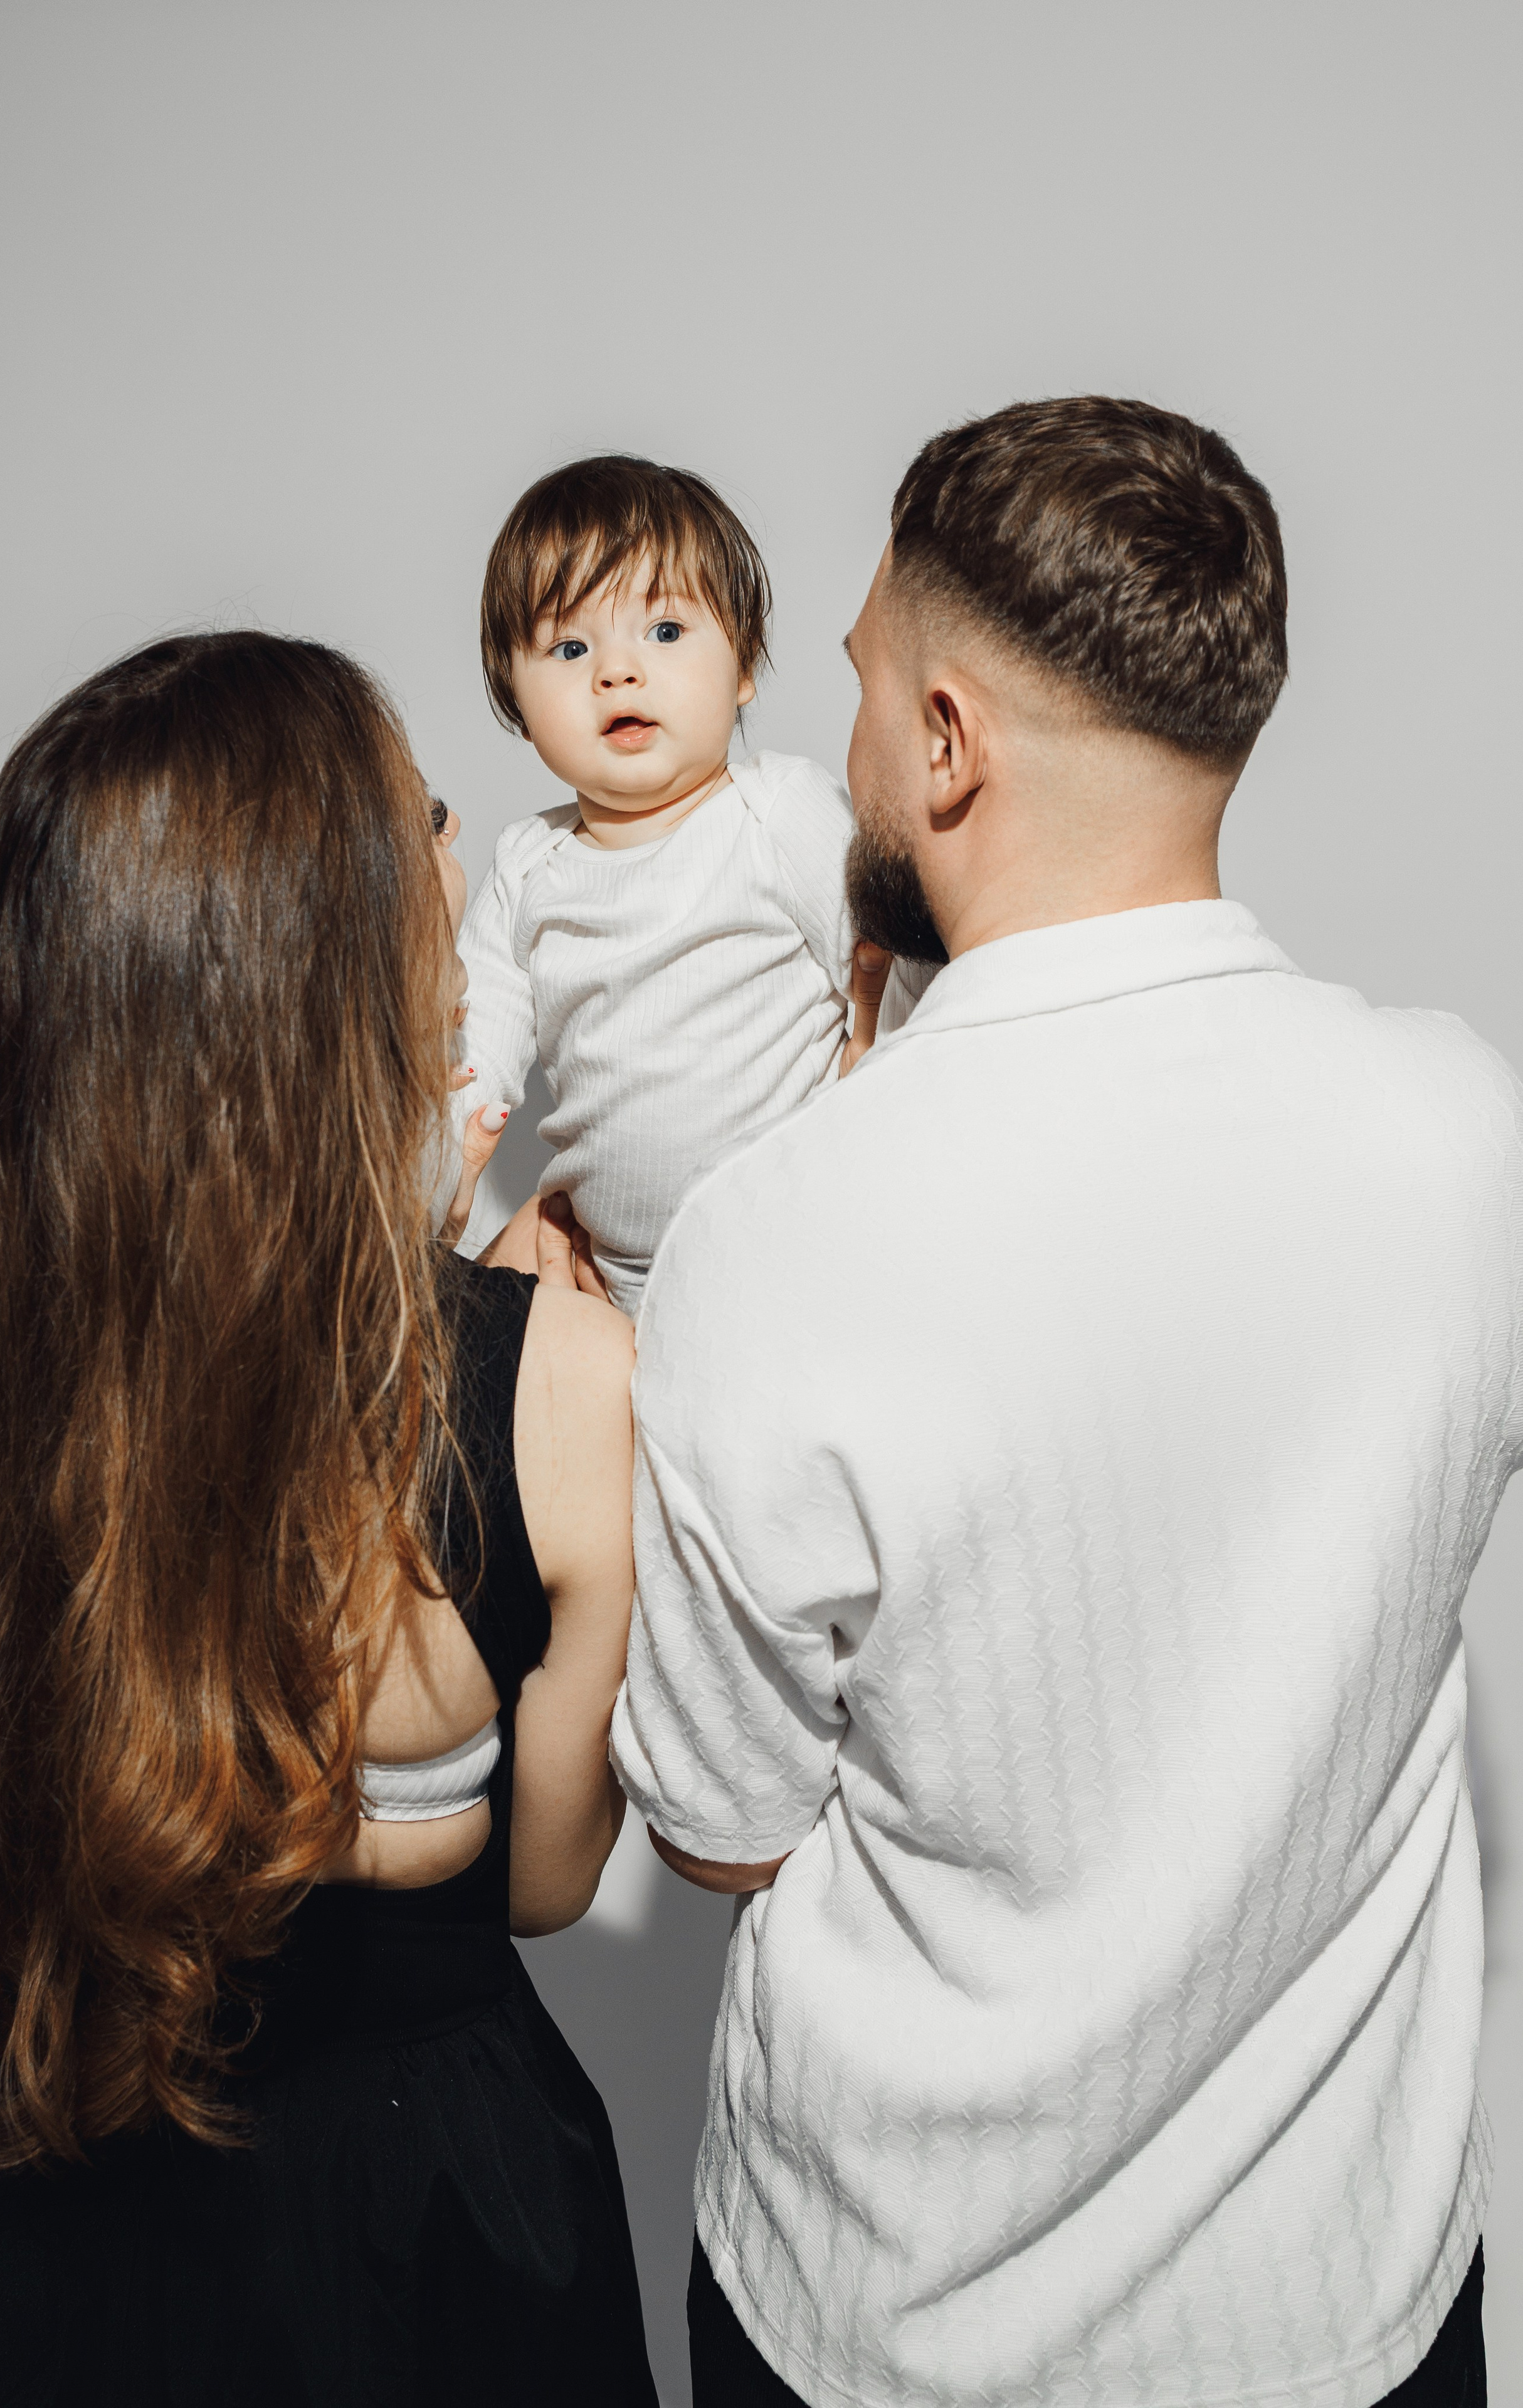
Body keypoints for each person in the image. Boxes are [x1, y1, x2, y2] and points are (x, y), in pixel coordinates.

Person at [611, 396, 1514, 2407]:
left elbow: (722, 1830)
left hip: (891, 2333)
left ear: (946, 743)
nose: (837, 747)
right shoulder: (1471, 1136)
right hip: (1349, 2316)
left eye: (861, 685)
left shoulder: (780, 1236)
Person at [0, 631, 658, 2406]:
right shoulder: (559, 1380)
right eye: (424, 819)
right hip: (426, 2230)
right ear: (324, 948)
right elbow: (545, 1883)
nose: (462, 862)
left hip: (20, 2176)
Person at [454, 453, 904, 1309]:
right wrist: (430, 1187)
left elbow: (897, 969)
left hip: (803, 1254)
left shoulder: (777, 814)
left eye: (664, 632)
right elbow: (472, 1060)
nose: (617, 672)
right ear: (514, 698)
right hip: (610, 1283)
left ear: (743, 668)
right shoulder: (528, 864)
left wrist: (873, 1085)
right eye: (571, 647)